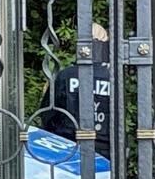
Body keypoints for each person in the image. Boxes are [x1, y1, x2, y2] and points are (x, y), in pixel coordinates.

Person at [39, 21, 113, 157]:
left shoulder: (65, 75)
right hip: (105, 150)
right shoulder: (113, 78)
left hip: (67, 147)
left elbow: (47, 113)